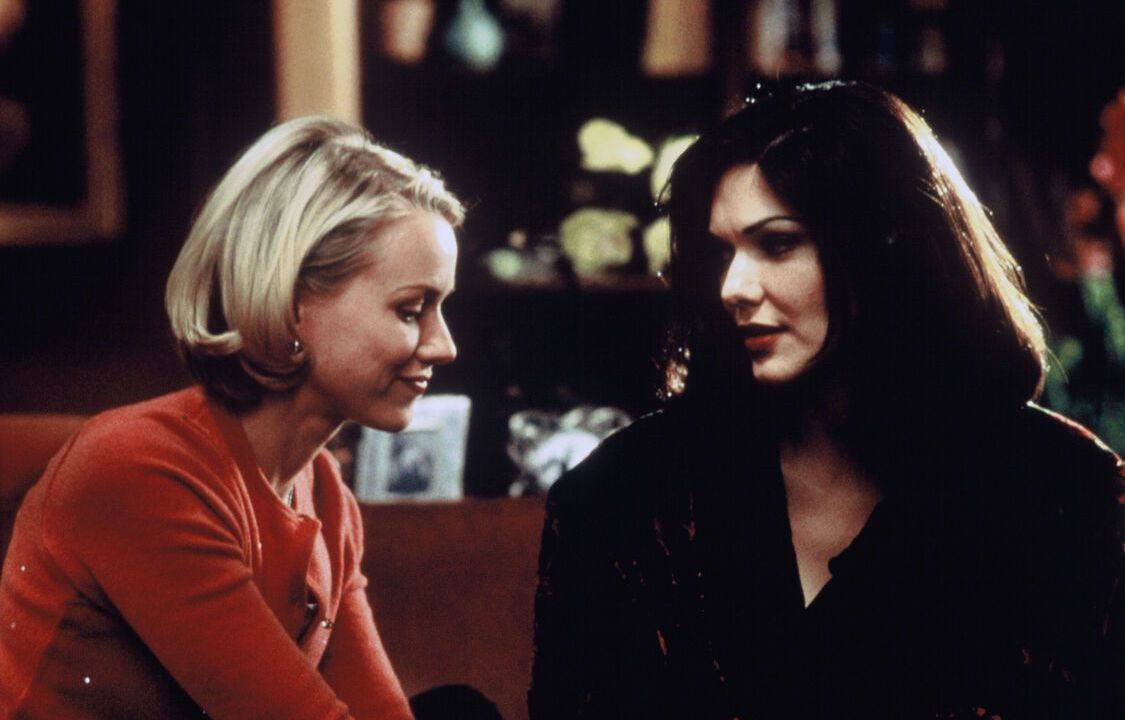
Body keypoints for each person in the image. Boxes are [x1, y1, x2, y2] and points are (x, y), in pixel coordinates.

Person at [529, 82, 1123, 719]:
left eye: (777, 244)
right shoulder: (620, 498)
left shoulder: (1065, 492)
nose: (733, 286)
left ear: (889, 247)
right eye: (723, 251)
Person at [0, 117, 463, 719]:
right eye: (411, 309)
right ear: (292, 305)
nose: (444, 346)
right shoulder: (138, 471)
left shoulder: (327, 497)